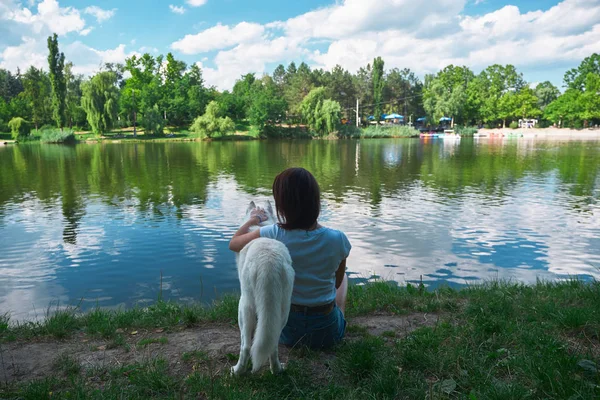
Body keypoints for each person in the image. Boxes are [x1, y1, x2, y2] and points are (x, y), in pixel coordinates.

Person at [229, 167, 351, 349]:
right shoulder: (337, 239)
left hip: (285, 330)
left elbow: (234, 244)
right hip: (327, 333)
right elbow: (336, 282)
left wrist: (252, 220)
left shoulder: (273, 232)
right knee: (343, 280)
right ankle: (338, 314)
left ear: (282, 206)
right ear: (316, 202)